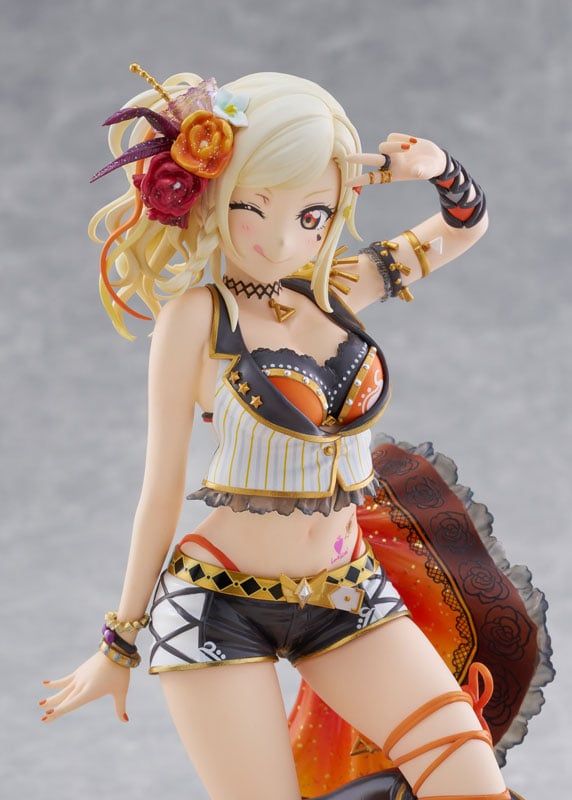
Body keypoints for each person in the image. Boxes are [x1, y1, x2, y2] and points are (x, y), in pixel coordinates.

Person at [38, 67, 553, 800]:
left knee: (470, 781)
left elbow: (464, 224)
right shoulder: (198, 319)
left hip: (347, 594)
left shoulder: (341, 288)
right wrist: (118, 642)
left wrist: (433, 168)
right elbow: (160, 489)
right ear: (209, 193)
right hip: (218, 605)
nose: (282, 238)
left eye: (312, 213)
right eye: (252, 206)